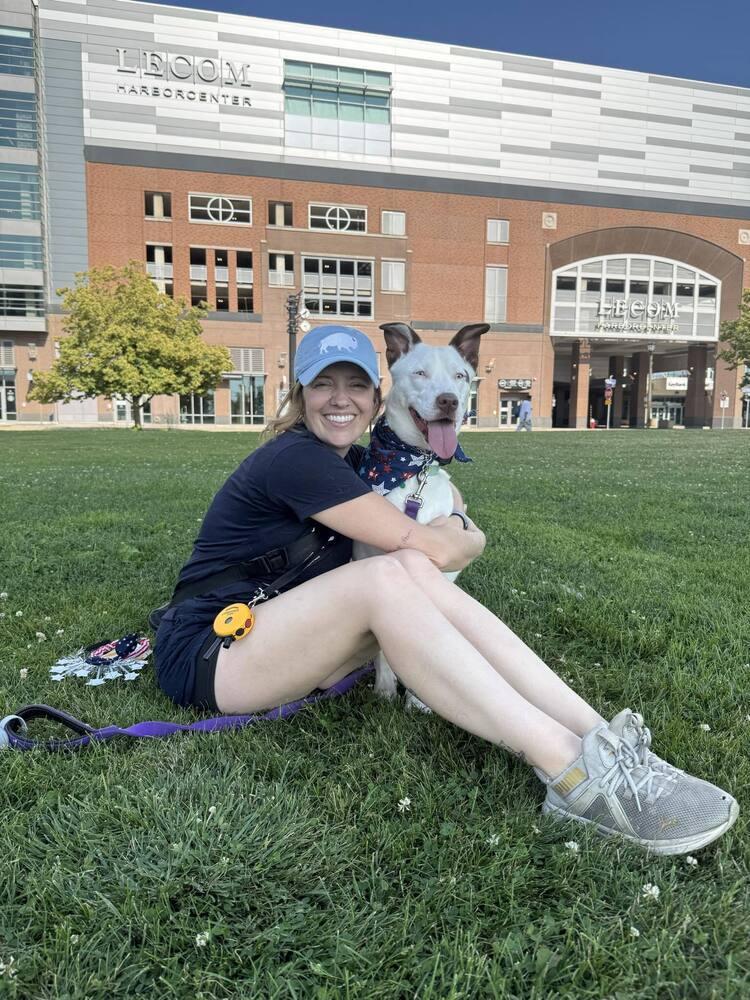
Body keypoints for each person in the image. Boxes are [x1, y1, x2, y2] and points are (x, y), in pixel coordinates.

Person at [154, 324, 738, 855]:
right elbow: (436, 545)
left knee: (404, 574)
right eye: (322, 384)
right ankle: (570, 771)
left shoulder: (364, 462)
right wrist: (468, 538)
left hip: (275, 635)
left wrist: (457, 520)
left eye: (355, 385)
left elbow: (452, 500)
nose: (340, 399)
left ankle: (601, 739)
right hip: (211, 652)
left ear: (377, 398)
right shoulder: (295, 460)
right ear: (298, 395)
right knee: (394, 571)